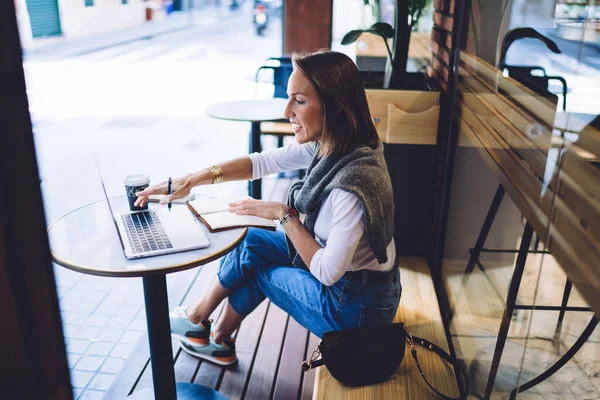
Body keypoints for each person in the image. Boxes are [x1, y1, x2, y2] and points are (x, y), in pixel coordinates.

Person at [134, 50, 401, 366]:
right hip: (354, 284)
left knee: (260, 269)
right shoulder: (335, 145)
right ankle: (200, 322)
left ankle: (214, 335)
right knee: (251, 241)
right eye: (288, 98)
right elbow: (264, 161)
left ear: (335, 105)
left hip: (356, 308)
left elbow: (328, 273)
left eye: (299, 101)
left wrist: (283, 215)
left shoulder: (353, 183)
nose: (287, 110)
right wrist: (195, 178)